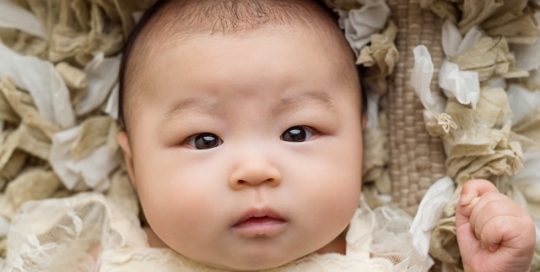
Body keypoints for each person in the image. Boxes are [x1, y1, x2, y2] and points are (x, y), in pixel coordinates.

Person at [3, 0, 536, 271]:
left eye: (298, 131)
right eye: (205, 140)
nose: (256, 170)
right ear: (134, 165)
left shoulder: (386, 256)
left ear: (362, 142)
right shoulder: (95, 249)